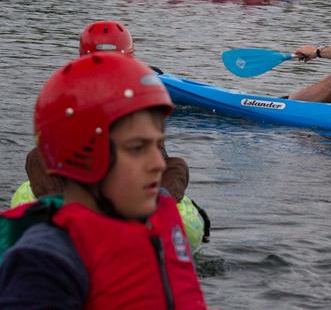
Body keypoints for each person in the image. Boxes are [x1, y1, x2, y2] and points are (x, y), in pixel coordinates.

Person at [0, 53, 208, 308]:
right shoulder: (45, 262)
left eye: (158, 145)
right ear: (82, 157)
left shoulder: (159, 226)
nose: (159, 164)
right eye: (137, 148)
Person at [24, 21, 189, 204]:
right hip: (86, 171)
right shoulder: (71, 93)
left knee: (177, 167)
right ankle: (59, 206)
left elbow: (155, 152)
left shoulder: (143, 96)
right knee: (37, 157)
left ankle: (157, 206)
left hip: (128, 173)